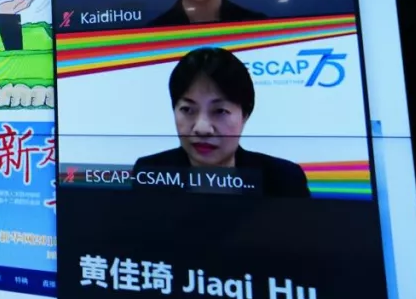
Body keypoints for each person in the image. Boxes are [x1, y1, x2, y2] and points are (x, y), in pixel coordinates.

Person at [133, 47, 310, 198]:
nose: (202, 128)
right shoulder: (150, 173)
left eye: (219, 111)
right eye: (187, 109)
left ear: (245, 115)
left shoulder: (283, 179)